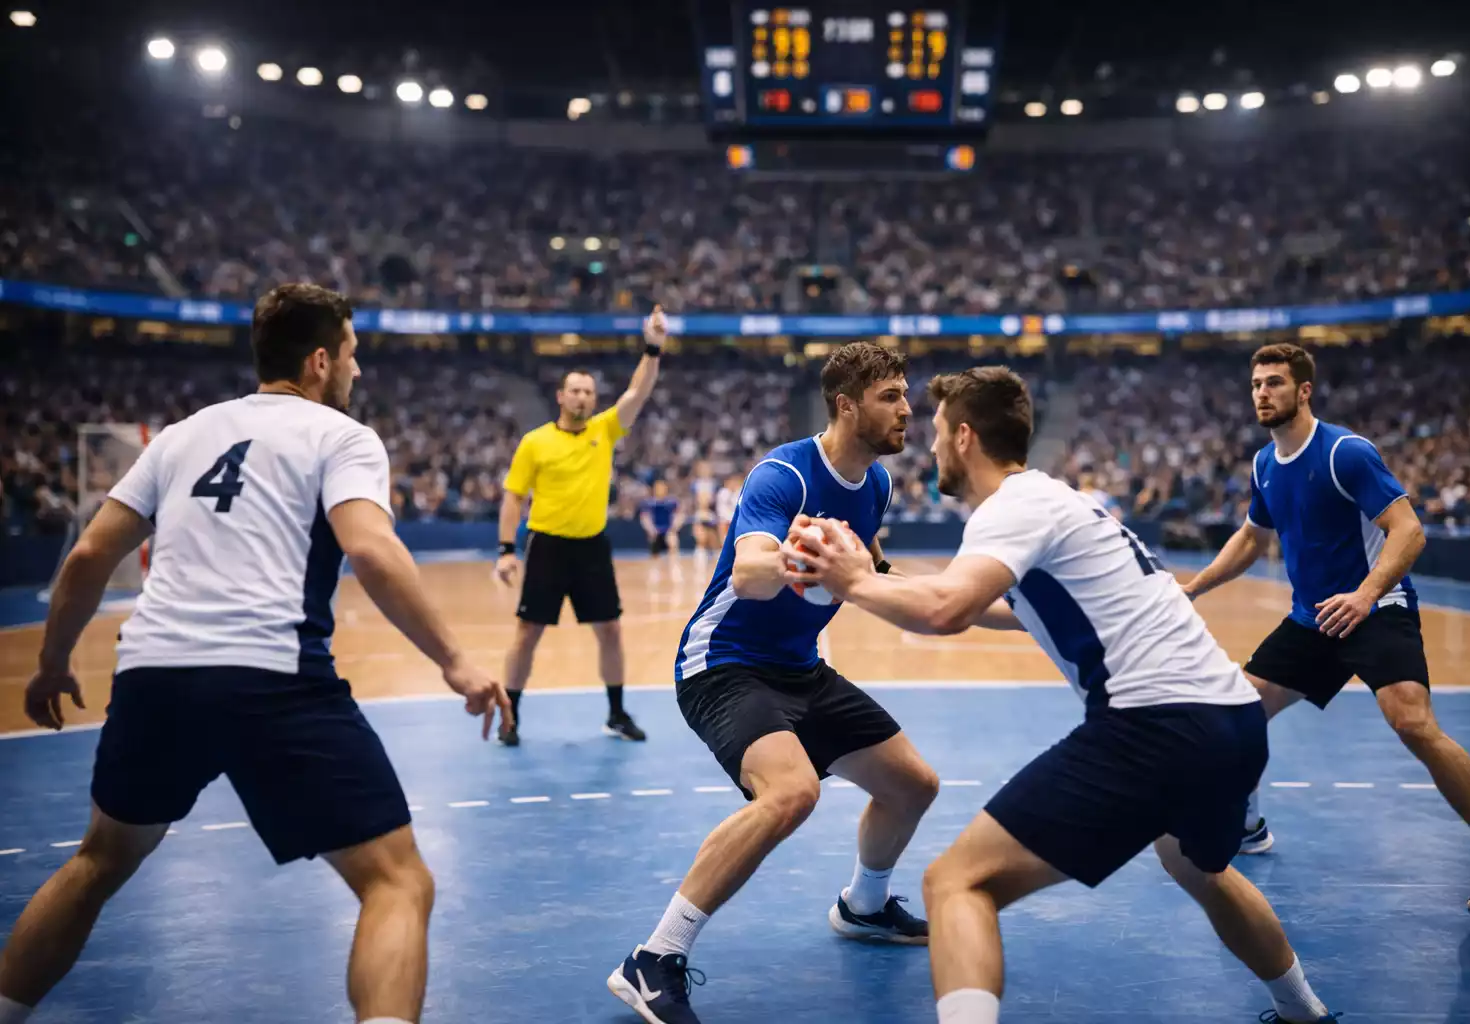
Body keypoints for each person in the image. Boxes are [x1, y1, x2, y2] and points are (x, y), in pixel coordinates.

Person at [0, 284, 511, 1024]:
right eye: (353, 356)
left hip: (152, 677)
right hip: (269, 676)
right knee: (397, 882)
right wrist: (455, 660)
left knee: (98, 863)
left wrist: (53, 663)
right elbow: (370, 549)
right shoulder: (341, 437)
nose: (358, 372)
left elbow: (84, 557)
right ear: (318, 361)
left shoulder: (179, 436)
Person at [789, 366, 1338, 1024]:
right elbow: (1007, 607)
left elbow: (946, 610)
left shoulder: (1011, 508)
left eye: (937, 432)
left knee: (958, 883)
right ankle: (1304, 1013)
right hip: (1233, 723)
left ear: (964, 437)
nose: (930, 446)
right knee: (1199, 868)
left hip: (1155, 725)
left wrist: (852, 580)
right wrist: (884, 584)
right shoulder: (1061, 502)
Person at [607, 342, 941, 1024]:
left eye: (908, 395)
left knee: (913, 784)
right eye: (892, 397)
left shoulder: (875, 486)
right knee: (793, 792)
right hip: (723, 665)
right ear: (848, 406)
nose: (909, 409)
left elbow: (875, 577)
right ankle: (653, 959)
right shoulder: (782, 475)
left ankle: (864, 907)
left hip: (801, 670)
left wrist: (981, 605)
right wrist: (793, 557)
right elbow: (747, 572)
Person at [1183, 343, 1470, 912]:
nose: (1262, 393)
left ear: (1303, 391)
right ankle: (1248, 827)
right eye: (1255, 384)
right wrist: (1196, 585)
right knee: (1238, 712)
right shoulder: (1265, 464)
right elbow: (1252, 537)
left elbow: (1409, 531)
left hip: (1378, 608)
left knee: (1412, 723)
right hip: (1312, 618)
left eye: (1274, 383)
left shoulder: (1346, 452)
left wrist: (1366, 595)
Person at [493, 307, 665, 746]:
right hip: (547, 546)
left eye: (588, 391)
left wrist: (653, 347)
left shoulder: (605, 430)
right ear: (560, 396)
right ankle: (509, 716)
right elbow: (513, 496)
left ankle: (616, 713)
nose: (583, 397)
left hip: (592, 548)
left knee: (610, 630)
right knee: (527, 633)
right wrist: (506, 550)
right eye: (575, 391)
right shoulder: (534, 442)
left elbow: (637, 393)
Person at [640, 479, 682, 558]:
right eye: (658, 488)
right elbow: (645, 518)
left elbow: (679, 516)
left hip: (669, 530)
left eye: (662, 487)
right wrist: (651, 529)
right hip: (655, 531)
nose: (660, 490)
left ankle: (674, 563)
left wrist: (673, 529)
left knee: (672, 541)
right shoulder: (648, 503)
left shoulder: (672, 502)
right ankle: (654, 561)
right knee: (653, 542)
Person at [690, 460, 720, 558]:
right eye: (702, 469)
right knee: (701, 537)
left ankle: (716, 556)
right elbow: (694, 500)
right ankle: (700, 554)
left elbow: (716, 500)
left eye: (707, 469)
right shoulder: (695, 484)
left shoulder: (715, 484)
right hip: (700, 512)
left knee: (713, 538)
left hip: (712, 512)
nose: (705, 471)